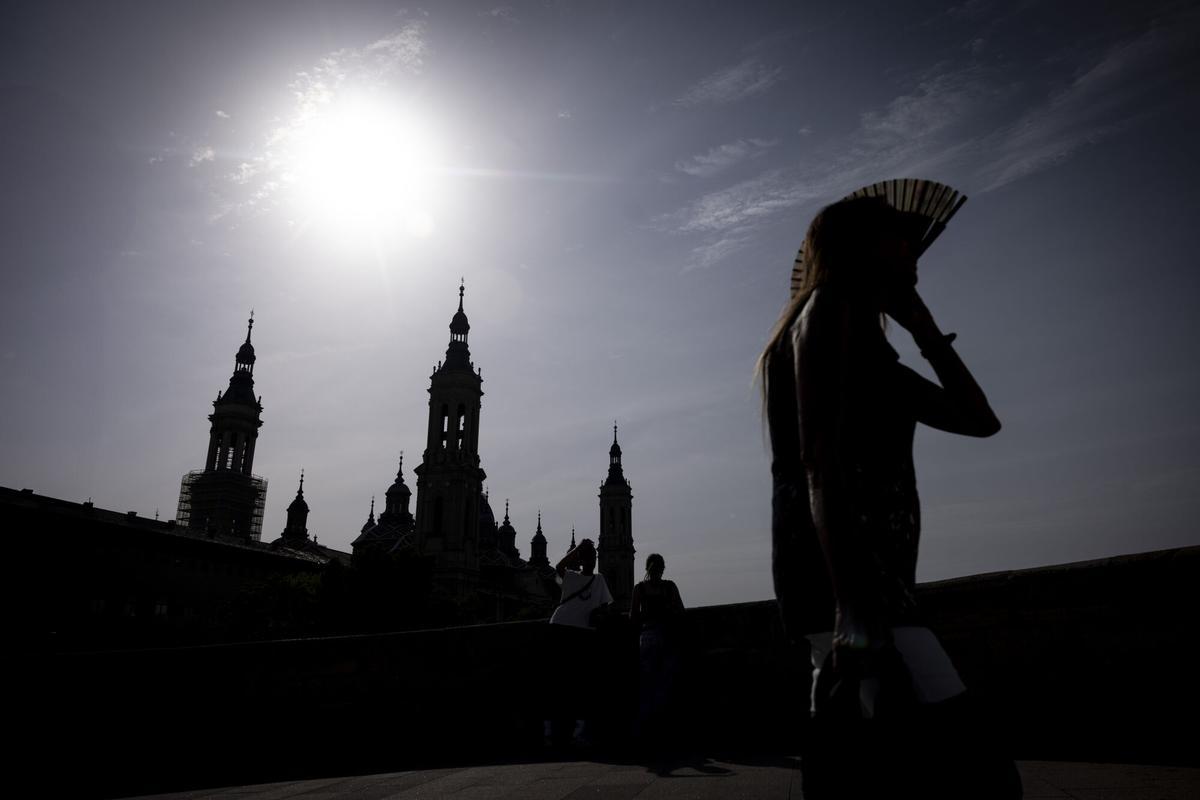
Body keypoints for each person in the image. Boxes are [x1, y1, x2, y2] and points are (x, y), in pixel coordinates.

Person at [757, 195, 1021, 798]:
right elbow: (818, 465)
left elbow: (980, 420)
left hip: (866, 583)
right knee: (974, 768)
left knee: (863, 760)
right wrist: (852, 608)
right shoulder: (823, 314)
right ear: (862, 249)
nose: (913, 246)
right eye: (896, 236)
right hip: (852, 584)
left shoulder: (868, 346)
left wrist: (922, 325)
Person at [545, 538, 612, 746]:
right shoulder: (572, 577)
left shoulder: (598, 579)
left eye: (593, 556)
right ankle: (558, 730)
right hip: (565, 630)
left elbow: (605, 608)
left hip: (576, 631)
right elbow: (558, 568)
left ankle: (571, 730)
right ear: (582, 560)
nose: (592, 560)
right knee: (565, 683)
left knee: (576, 683)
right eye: (588, 557)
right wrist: (578, 549)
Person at [629, 553, 685, 743]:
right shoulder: (669, 587)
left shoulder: (640, 589)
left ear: (646, 568)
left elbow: (633, 618)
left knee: (646, 686)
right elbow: (681, 612)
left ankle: (645, 730)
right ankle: (663, 729)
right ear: (662, 568)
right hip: (667, 637)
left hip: (647, 637)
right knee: (665, 683)